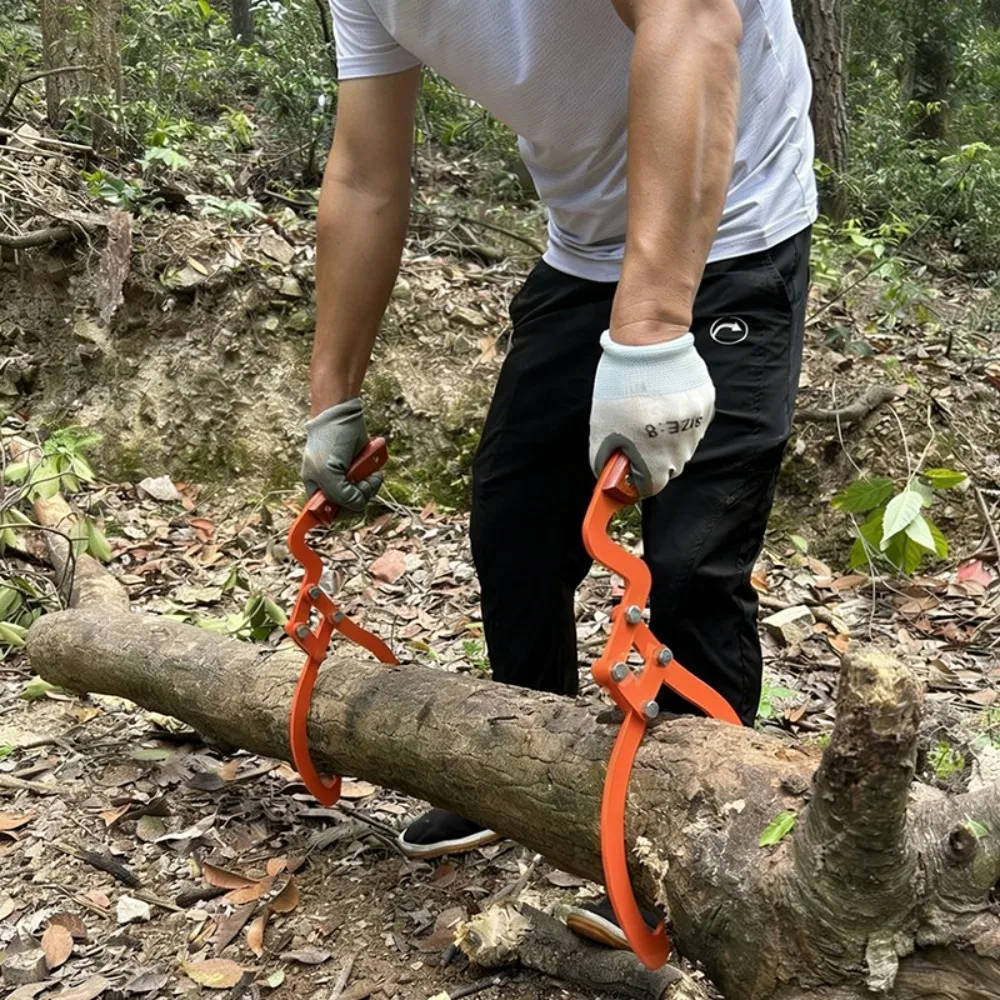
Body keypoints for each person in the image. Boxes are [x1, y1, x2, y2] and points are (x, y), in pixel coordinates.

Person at [301, 0, 816, 949]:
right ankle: (522, 769)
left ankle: (705, 846)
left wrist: (654, 330)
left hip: (736, 225)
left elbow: (694, 18)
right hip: (581, 252)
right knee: (514, 522)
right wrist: (332, 392)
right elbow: (367, 175)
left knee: (691, 563)